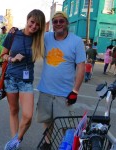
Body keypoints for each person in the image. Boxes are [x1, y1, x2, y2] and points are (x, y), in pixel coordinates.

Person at [36, 11, 86, 149]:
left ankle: (67, 145)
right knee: (47, 119)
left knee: (67, 124)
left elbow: (81, 66)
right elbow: (31, 33)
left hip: (65, 92)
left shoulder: (76, 41)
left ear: (66, 23)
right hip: (45, 89)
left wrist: (75, 91)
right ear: (53, 24)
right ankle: (47, 142)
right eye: (55, 21)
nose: (58, 24)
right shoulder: (46, 37)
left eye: (61, 21)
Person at [2, 9, 45, 150]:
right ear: (27, 19)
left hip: (26, 81)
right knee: (14, 110)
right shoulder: (14, 34)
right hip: (11, 78)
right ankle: (14, 143)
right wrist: (12, 59)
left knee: (27, 116)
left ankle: (17, 138)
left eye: (37, 25)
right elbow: (2, 55)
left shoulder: (39, 39)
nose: (34, 26)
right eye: (32, 22)